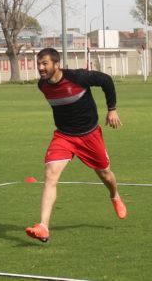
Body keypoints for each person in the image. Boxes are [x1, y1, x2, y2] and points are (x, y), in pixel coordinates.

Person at [25, 48, 127, 242]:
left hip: (89, 135)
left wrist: (112, 109)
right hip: (64, 137)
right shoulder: (42, 85)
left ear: (57, 64)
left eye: (44, 63)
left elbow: (106, 80)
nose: (40, 68)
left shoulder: (78, 77)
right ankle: (43, 226)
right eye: (38, 64)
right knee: (50, 175)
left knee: (105, 174)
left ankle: (114, 196)